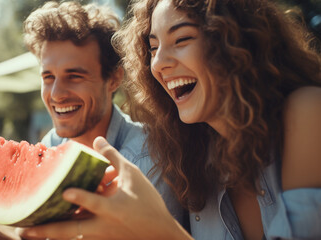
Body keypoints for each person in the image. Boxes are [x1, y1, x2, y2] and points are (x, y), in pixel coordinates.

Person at [16, 0, 321, 239]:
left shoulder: (306, 111)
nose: (159, 63)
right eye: (152, 48)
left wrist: (161, 232)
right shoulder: (194, 159)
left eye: (182, 39)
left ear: (235, 41)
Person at [0, 1, 185, 239]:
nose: (56, 94)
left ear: (113, 79)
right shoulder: (53, 144)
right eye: (48, 77)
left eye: (74, 76)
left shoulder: (149, 158)